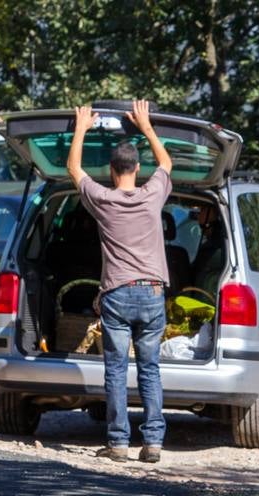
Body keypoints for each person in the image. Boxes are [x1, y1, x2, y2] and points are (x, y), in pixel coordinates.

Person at [67, 100, 174, 463]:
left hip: (116, 294)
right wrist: (145, 125)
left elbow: (74, 168)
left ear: (112, 172)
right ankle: (154, 443)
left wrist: (81, 126)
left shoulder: (104, 200)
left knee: (115, 369)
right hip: (153, 291)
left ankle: (118, 443)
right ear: (136, 169)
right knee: (150, 369)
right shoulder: (151, 196)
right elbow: (166, 164)